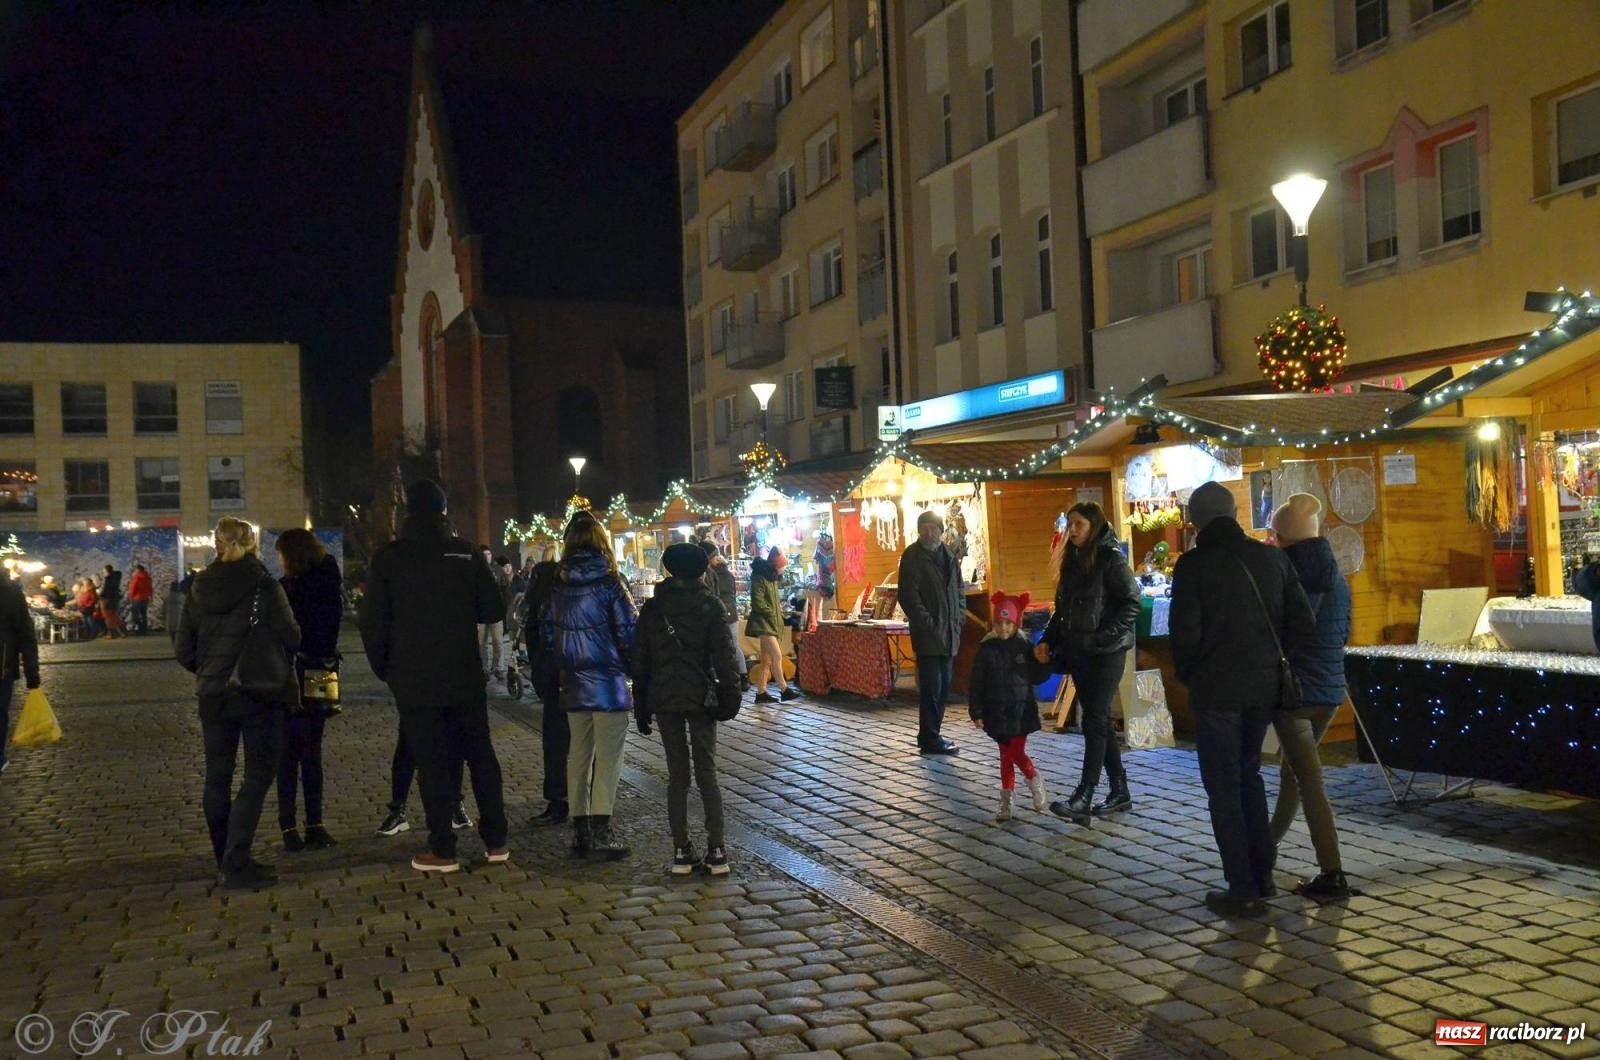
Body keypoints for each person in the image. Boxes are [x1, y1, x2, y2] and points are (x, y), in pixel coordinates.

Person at [1170, 481, 1316, 918]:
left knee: (1223, 787)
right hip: (1263, 690)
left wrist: (1193, 674)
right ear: (1234, 514)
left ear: (1195, 521)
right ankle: (1263, 874)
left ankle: (1242, 886)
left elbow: (1185, 635)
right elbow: (1303, 623)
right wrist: (1271, 659)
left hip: (1216, 692)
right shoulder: (1271, 558)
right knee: (1249, 776)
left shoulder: (1193, 567)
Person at [360, 480, 509, 874]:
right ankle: (496, 840)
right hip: (462, 671)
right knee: (480, 754)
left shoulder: (389, 558)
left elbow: (372, 622)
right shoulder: (465, 553)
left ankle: (443, 848)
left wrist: (387, 669)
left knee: (431, 762)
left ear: (408, 511)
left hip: (414, 677)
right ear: (443, 511)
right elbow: (493, 609)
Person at [175, 517, 301, 890]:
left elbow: (183, 649)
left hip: (213, 695)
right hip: (258, 692)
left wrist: (211, 671)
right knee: (258, 775)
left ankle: (225, 859)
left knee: (218, 775)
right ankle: (236, 859)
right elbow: (292, 636)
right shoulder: (264, 585)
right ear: (250, 544)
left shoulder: (199, 585)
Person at [633, 542, 742, 875]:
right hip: (701, 696)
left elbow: (640, 660)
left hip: (665, 697)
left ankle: (681, 850)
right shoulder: (710, 605)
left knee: (677, 775)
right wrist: (731, 697)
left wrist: (640, 704)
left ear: (668, 569)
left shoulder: (654, 609)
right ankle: (717, 849)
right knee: (706, 771)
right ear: (701, 570)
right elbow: (725, 657)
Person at [1269, 494, 1352, 900]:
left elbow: (1281, 635)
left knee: (1309, 780)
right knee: (1294, 773)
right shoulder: (1338, 577)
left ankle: (1332, 872)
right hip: (1331, 691)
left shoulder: (1289, 578)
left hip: (1296, 694)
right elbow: (1343, 631)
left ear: (1285, 538)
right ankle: (1265, 848)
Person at [1038, 501, 1141, 823]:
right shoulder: (1072, 561)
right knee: (1098, 720)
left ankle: (1085, 794)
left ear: (1094, 526)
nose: (1072, 530)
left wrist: (1102, 638)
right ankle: (1120, 791)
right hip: (1079, 651)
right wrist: (1047, 639)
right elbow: (1062, 610)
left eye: (1078, 524)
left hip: (1107, 652)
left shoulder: (1111, 559)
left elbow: (1131, 603)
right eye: (1070, 524)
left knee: (1094, 719)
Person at [543, 511, 636, 860]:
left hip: (573, 680)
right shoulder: (611, 583)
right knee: (609, 759)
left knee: (578, 756)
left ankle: (580, 830)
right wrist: (632, 669)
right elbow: (628, 632)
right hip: (608, 681)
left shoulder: (558, 584)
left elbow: (548, 633)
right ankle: (600, 831)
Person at [275, 529, 343, 853]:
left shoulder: (286, 589)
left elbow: (284, 634)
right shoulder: (329, 580)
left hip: (291, 671)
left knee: (288, 751)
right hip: (323, 671)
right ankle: (315, 824)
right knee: (312, 749)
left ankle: (289, 826)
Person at [969, 590, 1050, 823]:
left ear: (1016, 623)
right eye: (999, 623)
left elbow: (1036, 676)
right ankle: (1007, 800)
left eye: (1008, 623)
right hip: (996, 712)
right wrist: (976, 711)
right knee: (1005, 756)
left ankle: (1033, 779)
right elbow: (976, 683)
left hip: (1020, 711)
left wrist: (1044, 663)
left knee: (1015, 752)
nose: (1003, 628)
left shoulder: (1024, 646)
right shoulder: (987, 649)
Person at [898, 510, 964, 755]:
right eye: (924, 528)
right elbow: (908, 596)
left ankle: (931, 735)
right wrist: (928, 623)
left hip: (950, 633)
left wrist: (959, 617)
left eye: (933, 528)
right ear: (919, 531)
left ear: (941, 530)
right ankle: (930, 737)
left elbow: (959, 590)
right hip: (928, 635)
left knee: (944, 686)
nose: (929, 533)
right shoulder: (913, 556)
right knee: (931, 687)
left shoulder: (949, 556)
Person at [524, 542, 569, 825]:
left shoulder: (541, 595)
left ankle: (558, 800)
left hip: (553, 676)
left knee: (555, 742)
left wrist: (540, 674)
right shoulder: (572, 592)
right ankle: (590, 804)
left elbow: (534, 639)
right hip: (583, 676)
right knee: (585, 742)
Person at [2, 570, 43, 776]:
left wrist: (31, 670)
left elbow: (25, 635)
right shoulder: (10, 592)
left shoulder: (9, 593)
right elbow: (26, 635)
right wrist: (31, 672)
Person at [745, 547, 797, 703]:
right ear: (776, 564)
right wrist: (773, 614)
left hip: (769, 622)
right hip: (764, 623)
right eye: (782, 566)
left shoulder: (771, 577)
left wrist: (778, 615)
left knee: (766, 660)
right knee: (777, 655)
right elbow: (758, 601)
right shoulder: (761, 576)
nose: (783, 569)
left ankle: (761, 693)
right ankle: (784, 689)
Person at [701, 541, 749, 691]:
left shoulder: (714, 574)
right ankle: (742, 677)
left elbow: (715, 596)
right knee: (732, 646)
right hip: (730, 614)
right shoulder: (725, 573)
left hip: (723, 614)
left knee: (727, 647)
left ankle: (737, 678)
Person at [478, 544, 510, 686]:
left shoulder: (498, 571)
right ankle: (485, 669)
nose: (487, 557)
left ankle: (498, 667)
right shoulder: (476, 570)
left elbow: (505, 590)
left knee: (498, 642)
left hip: (496, 612)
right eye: (484, 554)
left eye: (489, 554)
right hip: (481, 613)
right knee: (482, 643)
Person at [124, 563, 153, 634]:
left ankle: (140, 628)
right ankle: (144, 629)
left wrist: (130, 597)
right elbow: (150, 588)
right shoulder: (148, 578)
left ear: (137, 570)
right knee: (144, 615)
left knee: (135, 615)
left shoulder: (136, 578)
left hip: (137, 599)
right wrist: (150, 596)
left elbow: (132, 589)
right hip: (145, 599)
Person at [99, 563, 125, 638]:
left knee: (108, 617)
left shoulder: (108, 579)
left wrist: (100, 595)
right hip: (114, 599)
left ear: (107, 571)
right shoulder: (116, 578)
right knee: (114, 616)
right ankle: (123, 631)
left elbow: (106, 590)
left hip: (107, 599)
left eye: (104, 571)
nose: (103, 573)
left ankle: (112, 633)